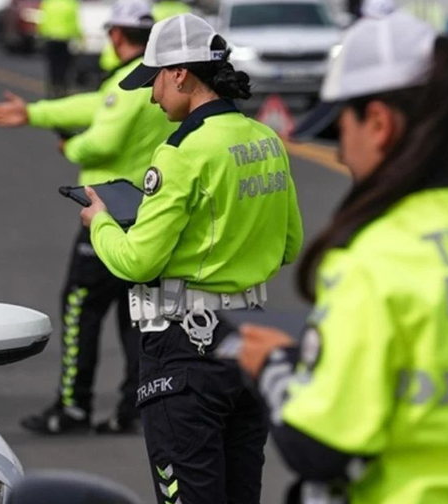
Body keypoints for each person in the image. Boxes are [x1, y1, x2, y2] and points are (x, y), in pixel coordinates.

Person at [238, 11, 448, 504]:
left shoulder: (375, 260)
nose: (342, 155)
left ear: (378, 123)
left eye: (339, 131)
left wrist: (273, 365)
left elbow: (319, 446)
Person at [79, 14, 303, 504]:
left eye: (155, 79)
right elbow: (289, 245)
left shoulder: (180, 152)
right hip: (248, 341)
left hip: (184, 347)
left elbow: (137, 263)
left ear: (180, 73)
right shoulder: (267, 141)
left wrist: (100, 221)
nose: (154, 95)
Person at [0, 0, 178, 435]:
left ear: (115, 35)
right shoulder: (155, 83)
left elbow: (101, 139)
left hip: (108, 214)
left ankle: (73, 406)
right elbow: (96, 104)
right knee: (138, 316)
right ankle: (135, 405)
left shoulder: (129, 83)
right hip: (150, 215)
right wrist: (36, 114)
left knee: (80, 307)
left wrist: (69, 148)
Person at [37, 0, 81, 97]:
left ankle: (53, 87)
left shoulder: (49, 3)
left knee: (53, 66)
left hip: (50, 38)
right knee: (63, 66)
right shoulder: (70, 4)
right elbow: (74, 22)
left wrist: (40, 33)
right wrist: (79, 36)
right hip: (64, 39)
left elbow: (43, 19)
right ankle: (61, 88)